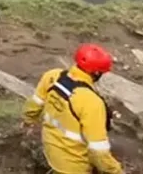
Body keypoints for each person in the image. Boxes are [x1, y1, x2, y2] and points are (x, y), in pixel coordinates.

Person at [22, 44, 123, 174]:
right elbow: (98, 151)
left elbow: (35, 104)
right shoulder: (91, 102)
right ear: (97, 73)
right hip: (74, 166)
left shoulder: (52, 76)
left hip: (51, 150)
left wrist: (28, 121)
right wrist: (116, 170)